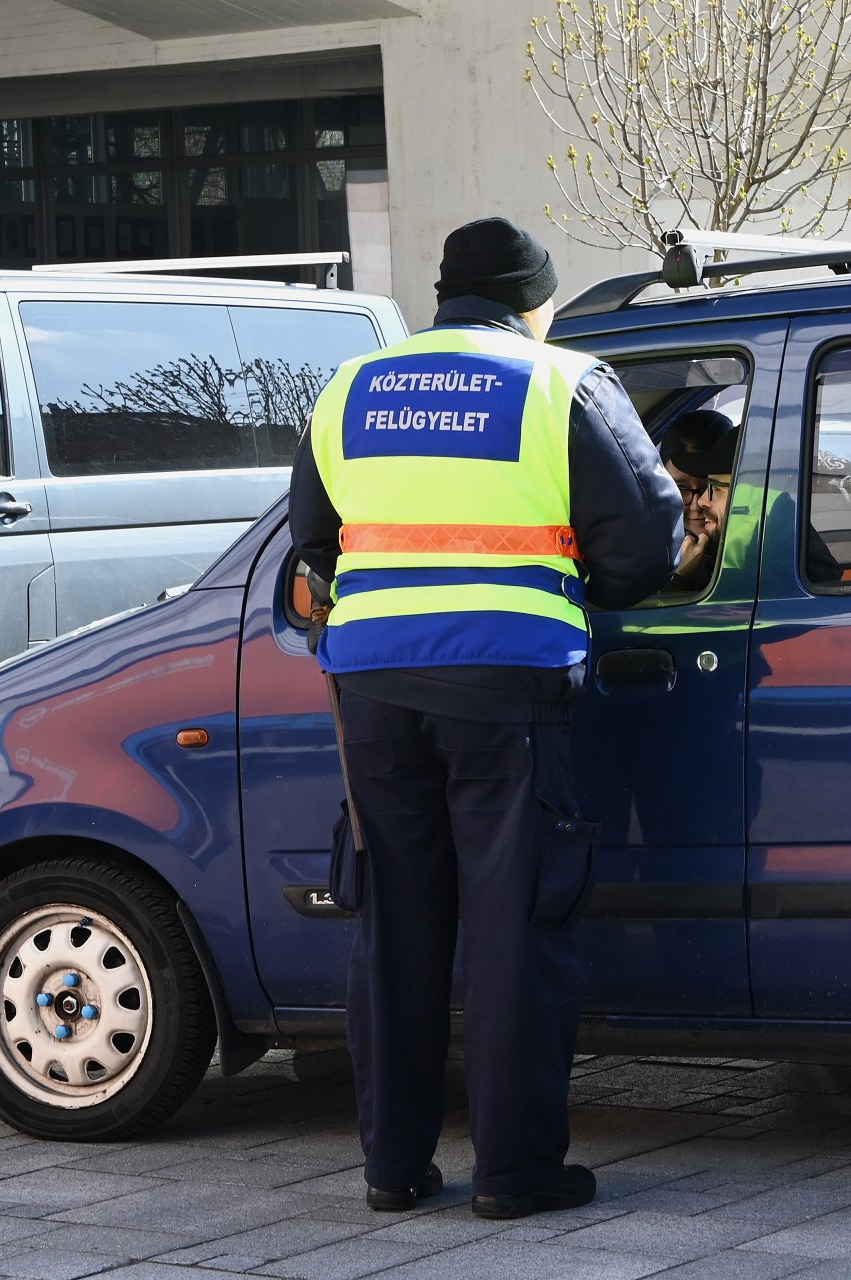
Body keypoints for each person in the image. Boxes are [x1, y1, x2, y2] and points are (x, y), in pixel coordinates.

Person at [288, 217, 683, 1221]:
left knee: (394, 925)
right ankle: (514, 1172)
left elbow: (316, 541)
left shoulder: (352, 386)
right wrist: (570, 584)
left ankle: (393, 1167)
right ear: (534, 300)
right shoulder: (561, 382)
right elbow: (647, 544)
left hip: (373, 685)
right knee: (515, 925)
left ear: (444, 295)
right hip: (508, 684)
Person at [659, 411, 737, 591]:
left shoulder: (751, 553)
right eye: (681, 489)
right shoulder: (646, 552)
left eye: (710, 486)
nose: (697, 504)